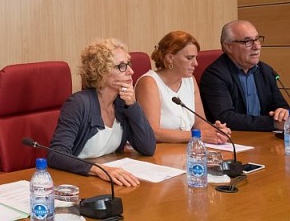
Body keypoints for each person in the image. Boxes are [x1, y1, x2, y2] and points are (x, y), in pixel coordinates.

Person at [49, 38, 156, 187]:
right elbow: (56, 154)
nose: (131, 71)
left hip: (109, 182)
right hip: (79, 182)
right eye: (122, 66)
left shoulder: (122, 102)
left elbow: (148, 148)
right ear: (102, 72)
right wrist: (100, 170)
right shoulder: (78, 104)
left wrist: (132, 105)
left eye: (129, 64)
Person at [135, 31, 230, 144]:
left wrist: (215, 132)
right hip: (159, 152)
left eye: (195, 58)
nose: (196, 64)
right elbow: (153, 132)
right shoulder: (149, 83)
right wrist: (198, 135)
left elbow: (200, 122)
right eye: (189, 58)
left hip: (185, 149)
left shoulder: (189, 80)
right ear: (170, 58)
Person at [199, 20, 290, 131]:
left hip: (264, 139)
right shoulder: (215, 75)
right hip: (233, 140)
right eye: (248, 41)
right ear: (229, 47)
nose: (256, 46)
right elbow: (225, 118)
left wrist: (284, 114)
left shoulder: (266, 71)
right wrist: (272, 124)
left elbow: (281, 105)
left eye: (257, 39)